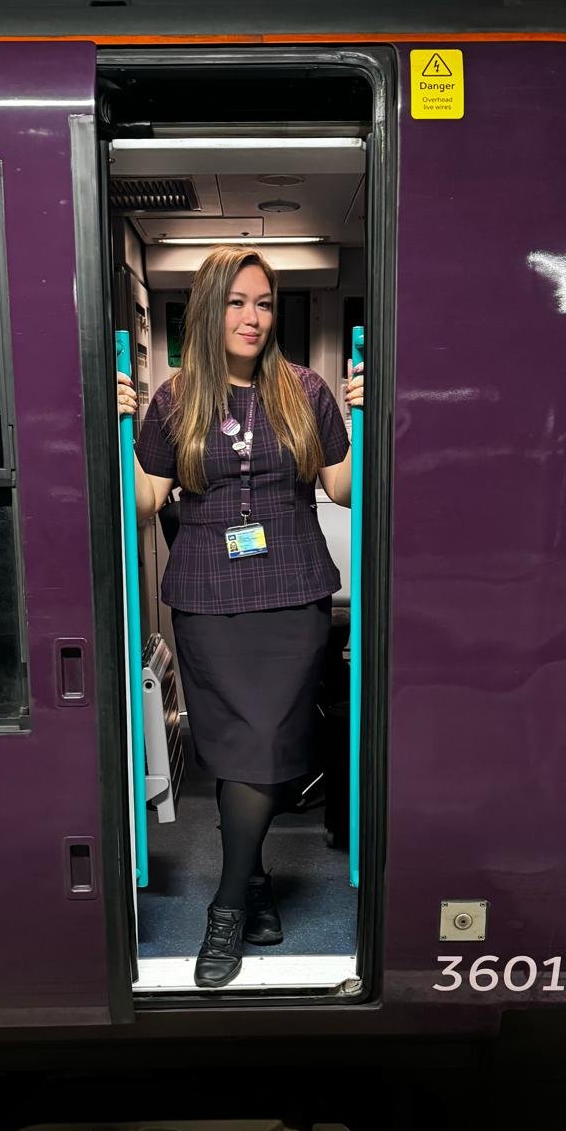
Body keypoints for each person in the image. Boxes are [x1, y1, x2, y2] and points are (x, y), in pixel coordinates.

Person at [117, 247, 364, 988]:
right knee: (235, 753)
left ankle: (227, 905)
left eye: (263, 303)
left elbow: (344, 488)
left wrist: (371, 415)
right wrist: (110, 430)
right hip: (208, 601)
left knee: (266, 747)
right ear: (208, 309)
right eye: (236, 302)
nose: (252, 317)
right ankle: (249, 889)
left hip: (292, 597)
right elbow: (145, 501)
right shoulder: (175, 399)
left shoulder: (306, 390)